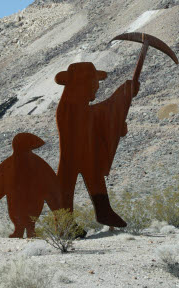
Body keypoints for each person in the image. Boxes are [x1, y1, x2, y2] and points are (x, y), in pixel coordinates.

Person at [55, 62, 139, 227]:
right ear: (81, 84)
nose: (97, 87)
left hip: (85, 154)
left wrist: (117, 117)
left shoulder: (78, 106)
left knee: (94, 177)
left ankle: (103, 212)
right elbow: (97, 114)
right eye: (93, 83)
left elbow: (96, 118)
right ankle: (65, 224)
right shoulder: (69, 107)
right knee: (67, 185)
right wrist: (123, 94)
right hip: (72, 157)